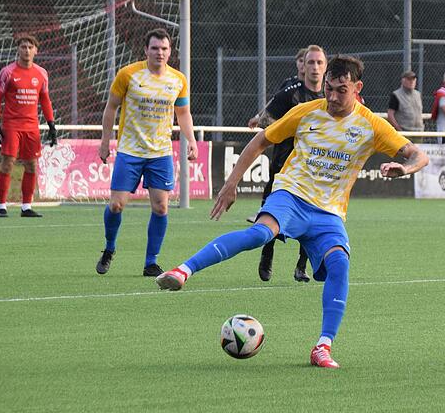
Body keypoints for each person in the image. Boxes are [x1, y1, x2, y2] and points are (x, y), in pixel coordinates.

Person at [155, 55, 429, 369]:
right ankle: (183, 271)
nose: (333, 97)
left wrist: (405, 168)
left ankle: (323, 346)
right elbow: (260, 141)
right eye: (329, 88)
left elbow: (419, 155)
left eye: (342, 90)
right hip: (291, 195)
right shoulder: (306, 111)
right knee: (260, 234)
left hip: (328, 214)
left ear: (357, 88)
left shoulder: (371, 125)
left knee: (339, 264)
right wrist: (231, 184)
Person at [95, 28, 198, 276]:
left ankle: (151, 262)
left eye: (164, 48)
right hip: (129, 151)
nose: (159, 53)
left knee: (161, 208)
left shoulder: (178, 80)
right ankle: (109, 248)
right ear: (146, 50)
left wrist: (192, 140)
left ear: (170, 51)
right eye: (154, 48)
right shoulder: (128, 74)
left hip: (160, 153)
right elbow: (111, 108)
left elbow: (183, 113)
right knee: (117, 205)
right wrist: (104, 140)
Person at [249, 45, 327, 283]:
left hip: (314, 167)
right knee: (272, 213)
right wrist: (280, 126)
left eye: (319, 63)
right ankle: (267, 252)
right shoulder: (289, 94)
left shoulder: (329, 97)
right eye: (310, 62)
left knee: (311, 215)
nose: (314, 67)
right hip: (283, 165)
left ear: (326, 66)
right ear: (302, 65)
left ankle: (301, 267)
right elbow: (266, 121)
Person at [0, 34, 56, 218]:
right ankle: (0, 205)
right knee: (8, 163)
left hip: (32, 127)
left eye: (30, 47)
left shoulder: (41, 73)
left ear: (36, 51)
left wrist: (51, 124)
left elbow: (45, 101)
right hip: (12, 125)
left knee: (31, 165)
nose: (27, 50)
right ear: (18, 50)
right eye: (23, 47)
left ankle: (26, 207)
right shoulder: (7, 72)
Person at [387, 70, 424, 142]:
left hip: (419, 133)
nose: (412, 81)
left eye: (413, 79)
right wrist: (399, 129)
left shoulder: (418, 94)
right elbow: (390, 115)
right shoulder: (396, 95)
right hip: (404, 133)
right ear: (403, 80)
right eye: (409, 79)